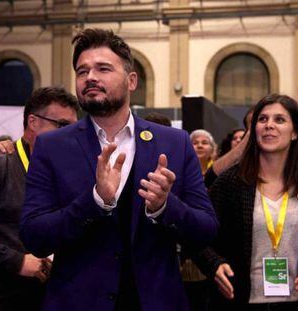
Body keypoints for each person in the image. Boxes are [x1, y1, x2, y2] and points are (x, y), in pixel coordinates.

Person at [20, 28, 218, 311]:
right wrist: (95, 201)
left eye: (103, 68)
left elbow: (207, 230)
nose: (90, 77)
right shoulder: (51, 146)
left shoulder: (175, 143)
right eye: (82, 71)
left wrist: (165, 206)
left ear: (131, 80)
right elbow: (34, 237)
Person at [196, 94, 298, 310]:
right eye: (263, 119)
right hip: (239, 302)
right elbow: (197, 232)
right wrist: (213, 265)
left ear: (295, 132)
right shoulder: (232, 181)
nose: (269, 126)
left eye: (279, 120)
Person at [0, 86, 78, 310]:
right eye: (62, 125)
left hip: (53, 298)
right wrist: (17, 262)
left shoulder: (67, 172)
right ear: (33, 122)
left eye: (74, 129)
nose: (70, 136)